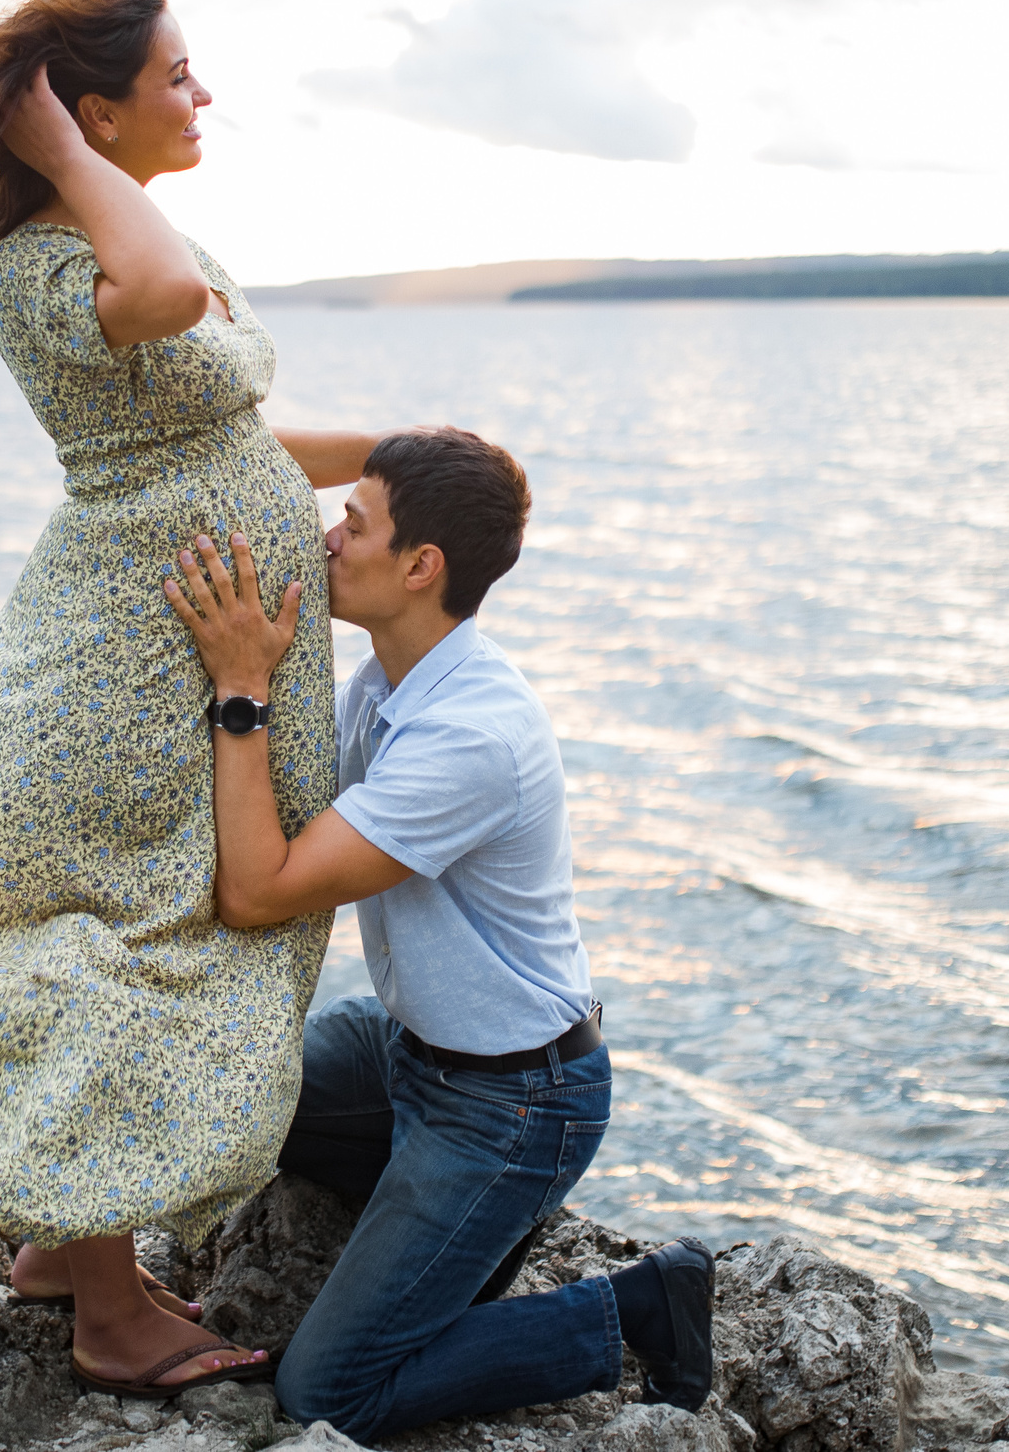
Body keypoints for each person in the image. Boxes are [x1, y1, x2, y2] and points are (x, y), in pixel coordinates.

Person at [0, 0, 397, 1400]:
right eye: (175, 76)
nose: (201, 97)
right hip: (135, 659)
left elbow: (219, 422)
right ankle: (111, 1310)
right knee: (137, 939)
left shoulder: (128, 233)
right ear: (91, 107)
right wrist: (54, 148)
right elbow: (172, 302)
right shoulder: (54, 261)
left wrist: (400, 446)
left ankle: (74, 1244)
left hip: (189, 635)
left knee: (153, 922)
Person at [163, 427, 715, 1442]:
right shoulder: (386, 681)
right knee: (211, 1088)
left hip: (510, 1106)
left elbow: (260, 890)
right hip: (404, 1054)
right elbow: (271, 830)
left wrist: (240, 689)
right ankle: (435, 1230)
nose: (327, 538)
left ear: (420, 567)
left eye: (353, 523)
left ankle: (634, 1307)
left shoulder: (469, 736)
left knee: (326, 1394)